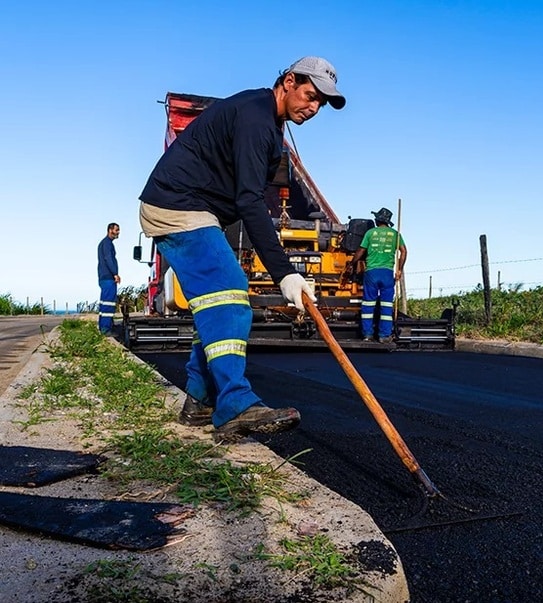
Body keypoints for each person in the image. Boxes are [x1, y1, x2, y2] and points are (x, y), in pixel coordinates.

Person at [138, 56, 346, 443]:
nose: (314, 107)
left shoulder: (269, 124)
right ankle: (234, 404)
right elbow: (250, 201)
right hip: (177, 204)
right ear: (288, 81)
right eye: (310, 95)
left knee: (216, 303)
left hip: (197, 208)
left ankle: (200, 399)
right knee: (232, 293)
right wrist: (284, 273)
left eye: (321, 103)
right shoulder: (256, 119)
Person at [352, 207, 407, 343]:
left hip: (372, 273)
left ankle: (367, 335)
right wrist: (399, 269)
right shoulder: (395, 234)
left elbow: (360, 250)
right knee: (386, 306)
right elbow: (404, 251)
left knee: (368, 305)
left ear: (377, 220)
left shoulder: (370, 233)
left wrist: (352, 263)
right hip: (387, 273)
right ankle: (384, 336)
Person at [97, 223, 121, 334]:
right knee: (108, 303)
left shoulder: (104, 243)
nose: (118, 232)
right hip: (108, 278)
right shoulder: (107, 244)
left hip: (103, 277)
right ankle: (106, 329)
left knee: (104, 303)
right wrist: (115, 273)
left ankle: (103, 326)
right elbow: (109, 259)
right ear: (110, 230)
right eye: (117, 230)